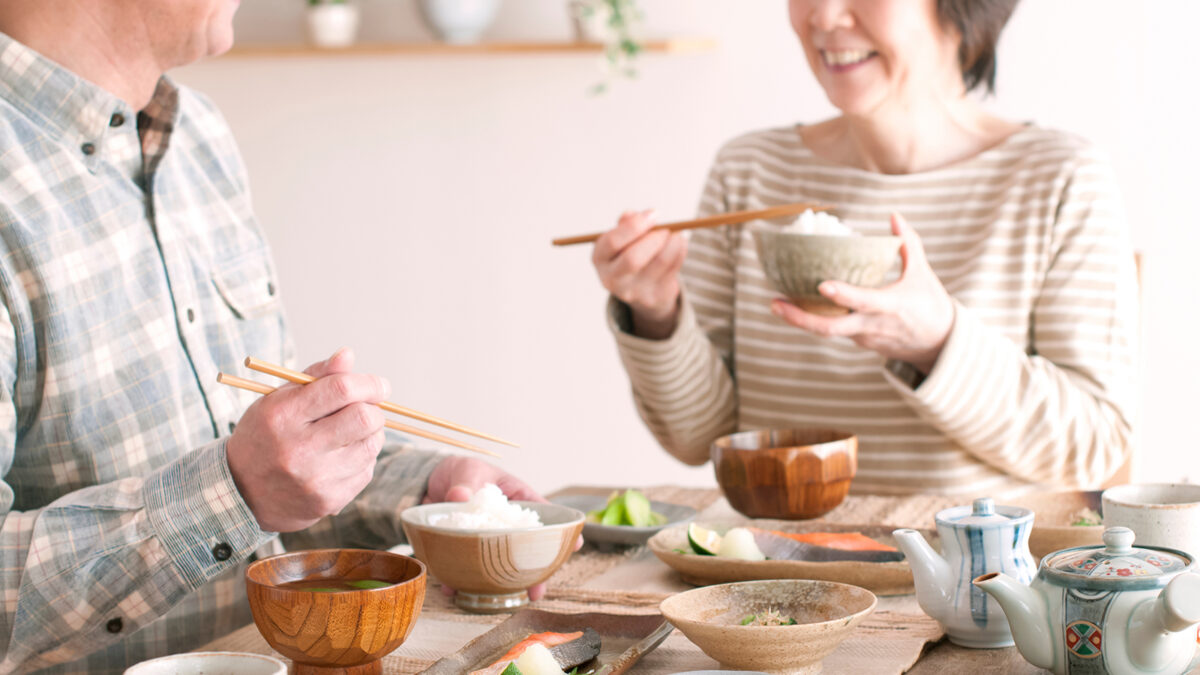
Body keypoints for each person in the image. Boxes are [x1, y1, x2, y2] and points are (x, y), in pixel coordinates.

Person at [0, 2, 544, 672]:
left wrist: (422, 490)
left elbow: (270, 468)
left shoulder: (196, 134)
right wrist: (231, 493)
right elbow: (245, 485)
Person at [592, 0, 1138, 496]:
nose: (825, 16)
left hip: (964, 572)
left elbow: (1094, 448)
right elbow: (697, 438)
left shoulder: (1059, 178)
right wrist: (656, 314)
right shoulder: (749, 171)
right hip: (767, 562)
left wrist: (938, 343)